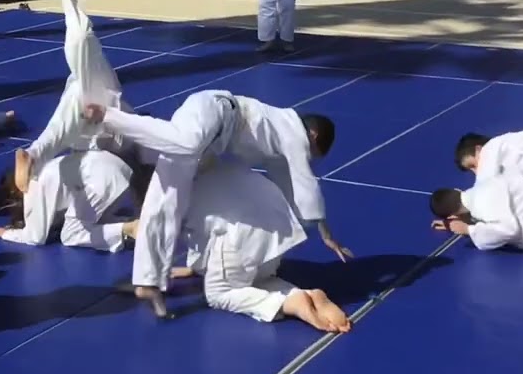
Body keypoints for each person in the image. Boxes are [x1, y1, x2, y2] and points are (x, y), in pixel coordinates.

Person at [84, 89, 350, 318]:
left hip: (212, 142)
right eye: (313, 153)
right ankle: (108, 116)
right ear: (313, 136)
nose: (308, 158)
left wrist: (310, 223)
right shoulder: (295, 135)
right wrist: (327, 236)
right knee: (185, 144)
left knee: (166, 198)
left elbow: (292, 185)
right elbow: (307, 184)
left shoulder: (280, 138)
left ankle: (149, 282)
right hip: (216, 112)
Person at [181, 162, 351, 332]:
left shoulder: (180, 193)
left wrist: (195, 267)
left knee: (218, 293)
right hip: (277, 237)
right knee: (258, 280)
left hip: (240, 239)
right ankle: (303, 294)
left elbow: (197, 236)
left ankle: (290, 303)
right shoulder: (225, 165)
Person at [13, 0, 135, 192]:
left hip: (92, 126)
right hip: (99, 111)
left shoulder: (84, 102)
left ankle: (33, 155)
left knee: (81, 42)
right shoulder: (131, 129)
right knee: (82, 39)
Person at [0, 149, 139, 252]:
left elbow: (36, 237)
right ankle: (140, 224)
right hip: (114, 170)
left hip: (102, 180)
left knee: (70, 234)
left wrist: (6, 234)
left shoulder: (32, 186)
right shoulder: (40, 169)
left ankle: (127, 229)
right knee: (94, 222)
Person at [430, 171, 523, 255]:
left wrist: (469, 230)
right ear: (457, 190)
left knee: (522, 236)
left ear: (452, 215)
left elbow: (508, 230)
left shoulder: (482, 206)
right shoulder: (481, 187)